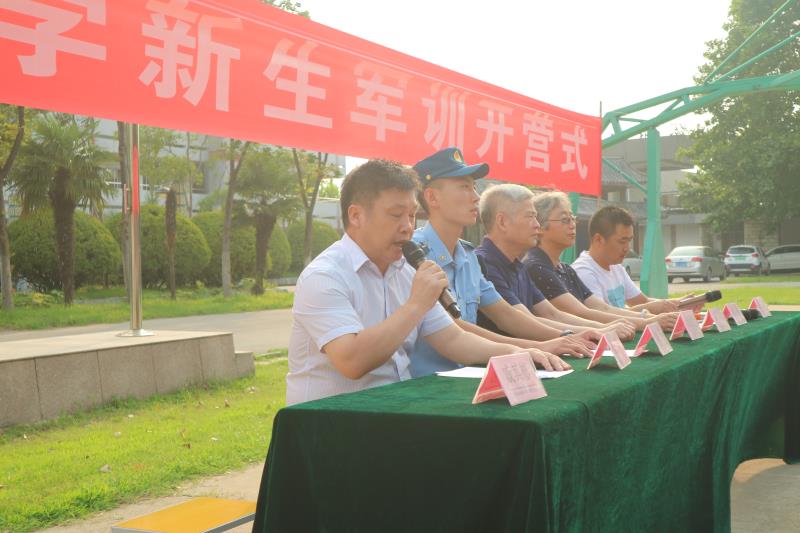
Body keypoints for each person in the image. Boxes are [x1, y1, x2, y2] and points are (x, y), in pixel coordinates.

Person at [286, 159, 569, 405]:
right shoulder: (324, 276)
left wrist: (521, 353)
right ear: (356, 215)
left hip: (394, 409)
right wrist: (416, 304)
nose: (408, 226)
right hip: (333, 423)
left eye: (412, 215)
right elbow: (352, 361)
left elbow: (454, 339)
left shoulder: (405, 270)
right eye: (396, 215)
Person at [408, 147, 595, 377]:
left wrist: (564, 337)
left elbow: (505, 314)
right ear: (432, 197)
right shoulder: (414, 255)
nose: (476, 197)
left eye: (474, 187)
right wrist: (537, 346)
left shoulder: (468, 256)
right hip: (427, 383)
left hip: (469, 375)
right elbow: (454, 328)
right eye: (464, 187)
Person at [474, 184, 636, 340]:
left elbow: (551, 314)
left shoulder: (519, 266)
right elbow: (521, 320)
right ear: (502, 222)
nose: (537, 225)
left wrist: (600, 329)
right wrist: (593, 332)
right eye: (530, 216)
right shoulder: (484, 263)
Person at [524, 191, 677, 331]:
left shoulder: (565, 269)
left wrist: (650, 318)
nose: (572, 225)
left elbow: (601, 308)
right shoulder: (536, 267)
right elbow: (581, 313)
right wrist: (647, 321)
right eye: (565, 220)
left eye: (572, 218)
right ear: (540, 226)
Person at [572, 206, 684, 313]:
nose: (627, 248)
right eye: (622, 241)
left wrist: (682, 303)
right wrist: (649, 310)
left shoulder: (616, 267)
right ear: (598, 239)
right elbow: (602, 315)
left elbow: (642, 301)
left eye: (629, 241)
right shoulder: (583, 272)